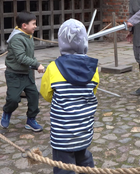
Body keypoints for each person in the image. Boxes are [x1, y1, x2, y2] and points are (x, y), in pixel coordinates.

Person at [40, 19, 99, 174]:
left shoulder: (53, 68)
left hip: (63, 133)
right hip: (84, 128)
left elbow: (46, 94)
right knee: (83, 157)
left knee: (63, 167)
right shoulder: (94, 69)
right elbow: (93, 91)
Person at [0, 11, 44, 131]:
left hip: (27, 74)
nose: (35, 26)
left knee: (34, 96)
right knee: (13, 99)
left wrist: (35, 66)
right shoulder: (17, 39)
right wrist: (37, 64)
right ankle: (7, 112)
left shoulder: (28, 35)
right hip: (14, 74)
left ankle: (31, 120)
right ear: (24, 26)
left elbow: (29, 55)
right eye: (33, 24)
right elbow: (21, 57)